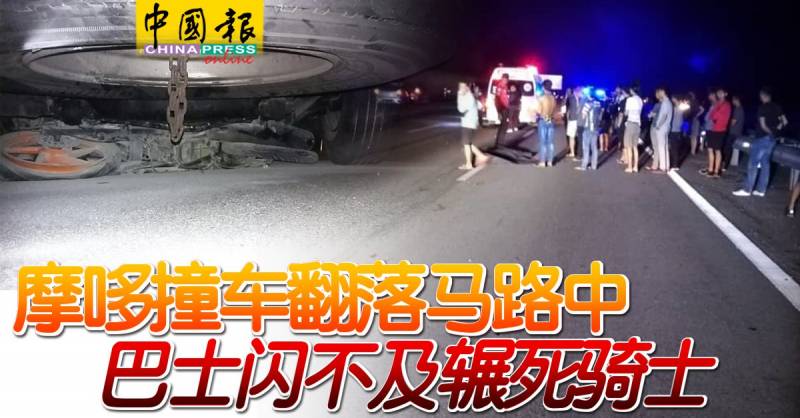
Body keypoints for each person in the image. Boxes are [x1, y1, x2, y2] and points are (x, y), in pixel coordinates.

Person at [733, 87, 788, 197]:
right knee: (765, 164)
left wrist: (770, 133)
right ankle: (761, 190)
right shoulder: (777, 107)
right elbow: (785, 122)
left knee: (753, 163)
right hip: (772, 140)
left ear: (763, 95)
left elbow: (763, 125)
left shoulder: (762, 108)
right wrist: (776, 130)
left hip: (762, 138)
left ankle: (747, 189)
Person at [457, 82, 490, 170]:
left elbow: (461, 109)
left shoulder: (468, 97)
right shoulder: (471, 97)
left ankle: (469, 164)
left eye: (462, 87)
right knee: (468, 143)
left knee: (466, 144)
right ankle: (481, 156)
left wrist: (460, 96)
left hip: (468, 123)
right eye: (460, 87)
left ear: (467, 88)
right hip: (471, 122)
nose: (460, 89)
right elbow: (480, 106)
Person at [704, 88, 732, 178]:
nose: (719, 94)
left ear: (725, 94)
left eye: (721, 93)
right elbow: (711, 115)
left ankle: (716, 171)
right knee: (710, 149)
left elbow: (716, 116)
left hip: (720, 130)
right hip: (713, 129)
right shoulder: (717, 103)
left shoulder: (727, 104)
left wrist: (714, 115)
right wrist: (714, 115)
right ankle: (710, 169)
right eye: (718, 93)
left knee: (717, 150)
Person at [649, 87, 672, 173]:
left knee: (661, 147)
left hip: (662, 128)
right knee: (664, 147)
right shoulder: (669, 102)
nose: (658, 94)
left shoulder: (665, 103)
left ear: (663, 92)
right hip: (666, 127)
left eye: (659, 92)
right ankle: (666, 166)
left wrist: (658, 125)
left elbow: (664, 116)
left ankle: (663, 167)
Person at [576, 95, 602, 171]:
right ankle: (594, 166)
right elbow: (600, 115)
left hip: (588, 128)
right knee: (594, 147)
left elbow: (583, 116)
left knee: (586, 147)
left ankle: (584, 166)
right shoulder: (598, 104)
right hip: (596, 128)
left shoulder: (588, 104)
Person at [536, 80, 558, 167]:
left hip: (543, 119)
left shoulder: (541, 97)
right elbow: (554, 109)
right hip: (550, 119)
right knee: (550, 142)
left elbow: (539, 111)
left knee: (543, 142)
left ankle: (542, 161)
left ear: (543, 87)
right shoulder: (552, 98)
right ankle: (550, 161)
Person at [623, 85, 643, 173]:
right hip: (637, 124)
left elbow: (626, 113)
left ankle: (630, 167)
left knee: (628, 146)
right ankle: (635, 167)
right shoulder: (640, 100)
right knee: (635, 147)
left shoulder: (630, 100)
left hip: (630, 123)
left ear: (631, 90)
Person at [724, 95, 745, 171]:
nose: (732, 102)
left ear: (736, 100)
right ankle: (727, 163)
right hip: (737, 131)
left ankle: (725, 165)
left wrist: (727, 125)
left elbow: (733, 122)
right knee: (730, 148)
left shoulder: (738, 109)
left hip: (734, 132)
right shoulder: (741, 109)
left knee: (728, 148)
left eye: (733, 100)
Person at [668, 95, 685, 170]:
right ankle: (675, 164)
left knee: (674, 148)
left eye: (673, 99)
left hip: (674, 130)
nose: (672, 100)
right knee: (675, 147)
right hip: (677, 130)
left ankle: (675, 165)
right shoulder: (679, 108)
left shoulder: (676, 109)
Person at [494, 74, 511, 145]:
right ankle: (499, 143)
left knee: (504, 125)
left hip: (505, 107)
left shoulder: (505, 86)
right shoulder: (500, 86)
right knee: (503, 126)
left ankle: (500, 142)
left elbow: (505, 97)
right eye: (504, 79)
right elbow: (497, 99)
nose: (506, 80)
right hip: (502, 108)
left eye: (507, 79)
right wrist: (499, 111)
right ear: (502, 79)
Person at [566, 87, 581, 158]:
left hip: (573, 119)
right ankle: (578, 152)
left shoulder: (570, 98)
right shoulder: (582, 99)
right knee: (578, 137)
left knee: (572, 137)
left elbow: (565, 106)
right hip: (580, 120)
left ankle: (572, 152)